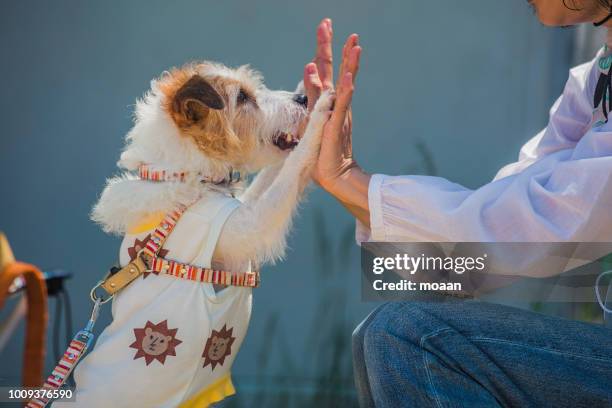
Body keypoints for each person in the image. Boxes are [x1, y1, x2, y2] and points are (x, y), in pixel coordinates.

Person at [301, 2, 612, 406]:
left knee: (410, 337)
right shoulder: (597, 75)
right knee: (384, 335)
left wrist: (346, 179)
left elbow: (529, 226)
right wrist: (342, 180)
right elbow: (490, 240)